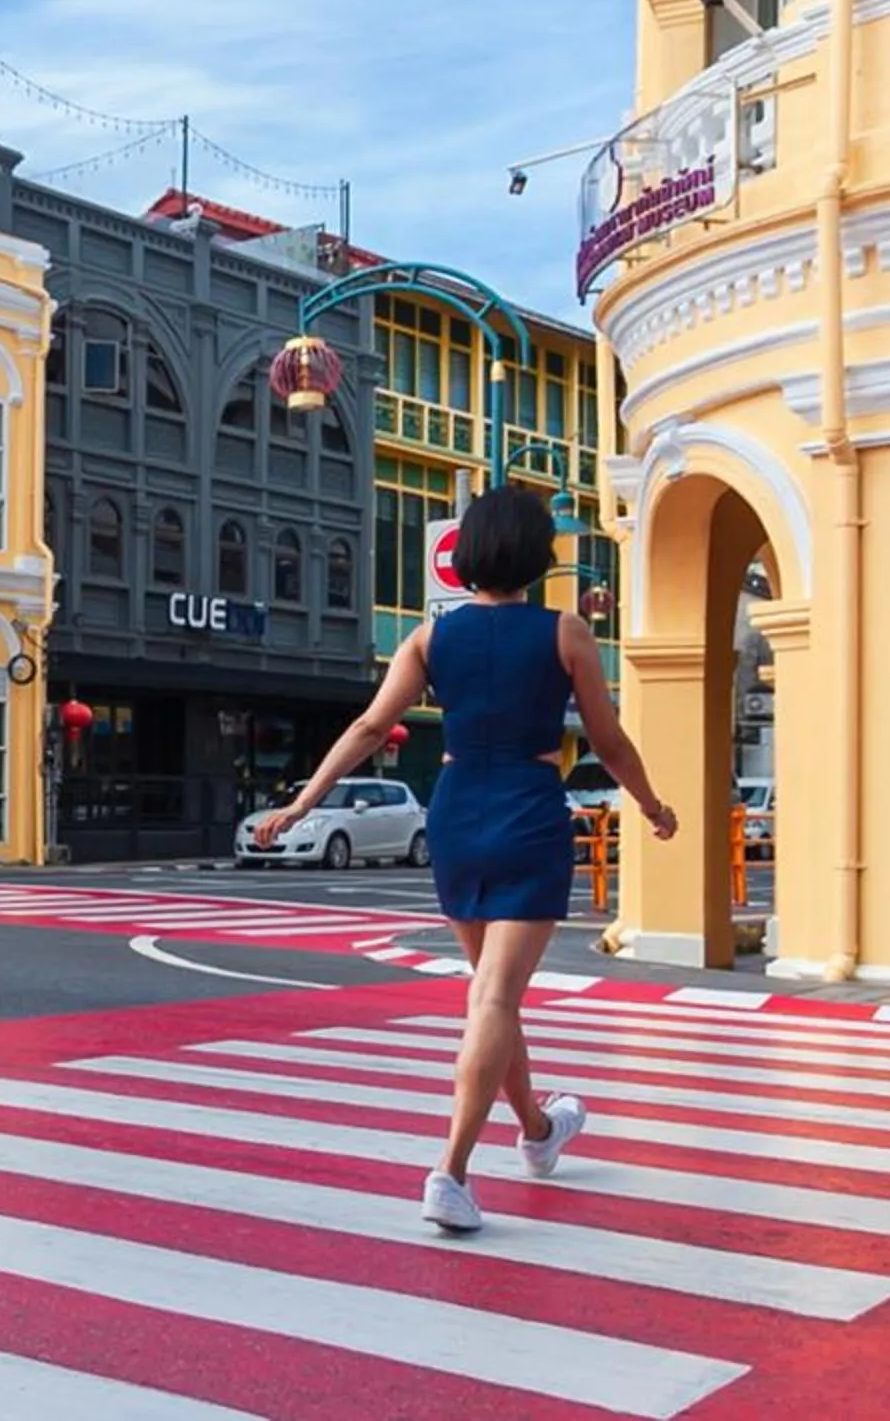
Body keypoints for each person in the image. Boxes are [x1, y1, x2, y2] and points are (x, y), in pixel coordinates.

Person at [254, 483, 676, 1232]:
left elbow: (368, 726)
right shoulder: (566, 632)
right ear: (539, 557)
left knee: (491, 992)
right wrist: (648, 803)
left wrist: (301, 802)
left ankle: (541, 1135)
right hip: (528, 813)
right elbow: (609, 742)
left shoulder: (428, 639)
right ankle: (450, 1171)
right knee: (494, 998)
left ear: (469, 555)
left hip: (455, 814)